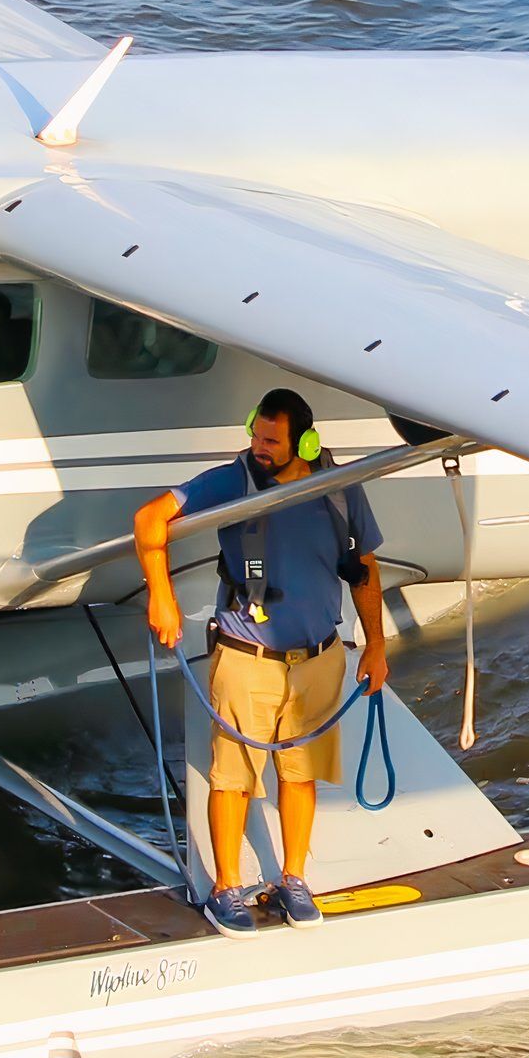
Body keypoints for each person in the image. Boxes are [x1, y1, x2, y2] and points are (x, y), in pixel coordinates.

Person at [135, 387, 389, 933]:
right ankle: (226, 888)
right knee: (233, 777)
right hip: (245, 654)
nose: (259, 446)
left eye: (272, 440)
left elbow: (364, 566)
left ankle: (292, 879)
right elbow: (149, 519)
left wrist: (377, 644)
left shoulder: (338, 488)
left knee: (299, 775)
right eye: (256, 433)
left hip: (319, 658)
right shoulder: (235, 478)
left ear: (305, 441)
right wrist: (162, 595)